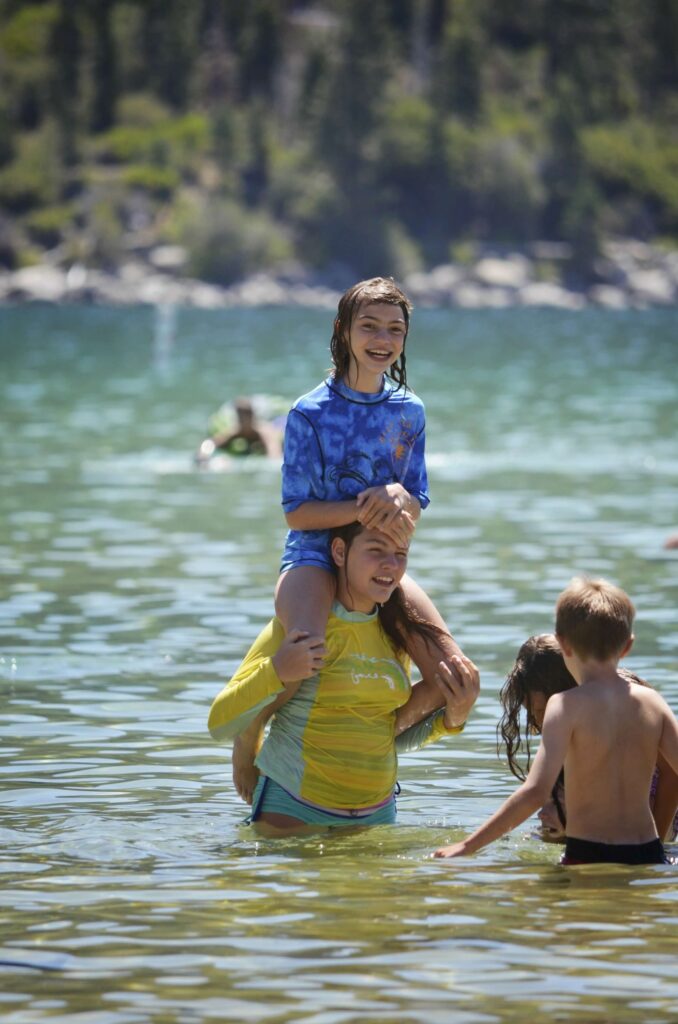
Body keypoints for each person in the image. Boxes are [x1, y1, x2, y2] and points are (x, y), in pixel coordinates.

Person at [232, 277, 474, 800]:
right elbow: (296, 514)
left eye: (395, 329)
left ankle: (379, 736)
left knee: (448, 669)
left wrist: (402, 502)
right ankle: (251, 733)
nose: (382, 338)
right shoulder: (308, 414)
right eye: (369, 326)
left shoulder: (410, 411)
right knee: (306, 652)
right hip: (314, 557)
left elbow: (418, 499)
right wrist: (367, 503)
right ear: (343, 331)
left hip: (379, 556)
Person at [208, 520, 479, 831]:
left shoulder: (398, 628)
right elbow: (219, 722)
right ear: (339, 551)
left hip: (377, 814)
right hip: (291, 808)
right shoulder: (302, 624)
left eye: (401, 554)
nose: (390, 564)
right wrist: (277, 671)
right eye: (376, 550)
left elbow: (385, 736)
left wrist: (452, 719)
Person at [434, 577, 678, 865]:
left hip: (587, 852)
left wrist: (467, 845)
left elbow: (536, 791)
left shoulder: (564, 706)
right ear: (627, 646)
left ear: (563, 644)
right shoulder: (653, 702)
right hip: (648, 852)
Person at [497, 634, 678, 842]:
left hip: (656, 811)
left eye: (539, 710)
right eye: (530, 712)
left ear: (564, 683)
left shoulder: (623, 697)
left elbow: (673, 774)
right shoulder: (570, 706)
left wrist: (656, 843)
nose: (537, 723)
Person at [195, 397, 282, 463]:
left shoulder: (264, 431)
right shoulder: (236, 430)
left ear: (252, 416)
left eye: (246, 417)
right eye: (241, 417)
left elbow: (274, 454)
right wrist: (203, 456)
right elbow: (211, 443)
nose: (243, 421)